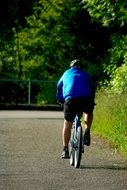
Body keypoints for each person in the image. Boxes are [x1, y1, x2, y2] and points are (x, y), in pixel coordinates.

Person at [56, 59, 95, 158]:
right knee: (88, 112)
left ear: (71, 66)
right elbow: (92, 86)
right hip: (86, 98)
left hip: (71, 99)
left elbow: (59, 85)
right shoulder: (85, 74)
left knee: (67, 123)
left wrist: (60, 99)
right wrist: (92, 100)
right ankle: (87, 131)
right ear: (81, 67)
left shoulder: (66, 73)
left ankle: (65, 150)